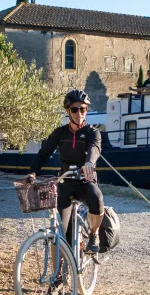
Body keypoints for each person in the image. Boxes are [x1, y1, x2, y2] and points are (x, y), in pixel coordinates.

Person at [27, 89, 104, 253]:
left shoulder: (92, 132)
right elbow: (43, 153)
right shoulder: (60, 133)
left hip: (85, 180)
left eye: (83, 109)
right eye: (75, 109)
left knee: (96, 197)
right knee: (59, 232)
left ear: (86, 110)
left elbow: (94, 148)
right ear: (68, 111)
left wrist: (89, 163)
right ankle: (57, 274)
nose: (79, 113)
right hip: (65, 182)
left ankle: (93, 234)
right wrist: (32, 172)